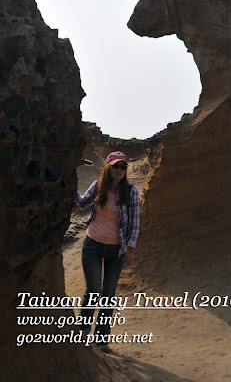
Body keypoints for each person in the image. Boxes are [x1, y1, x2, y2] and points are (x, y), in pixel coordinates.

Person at [76, 150, 140, 353]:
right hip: (92, 245)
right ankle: (82, 332)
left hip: (117, 250)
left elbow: (135, 223)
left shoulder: (131, 191)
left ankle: (101, 340)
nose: (119, 170)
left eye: (123, 167)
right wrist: (68, 179)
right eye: (116, 166)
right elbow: (81, 204)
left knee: (108, 295)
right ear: (108, 167)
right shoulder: (98, 186)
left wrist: (130, 248)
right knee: (93, 290)